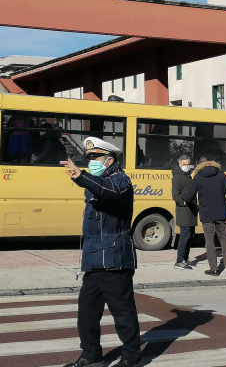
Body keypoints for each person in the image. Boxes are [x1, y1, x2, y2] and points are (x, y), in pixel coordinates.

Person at [63, 137, 141, 367]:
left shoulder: (120, 180)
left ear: (109, 159)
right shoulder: (98, 181)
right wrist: (84, 179)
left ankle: (131, 358)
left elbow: (110, 192)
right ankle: (90, 354)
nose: (91, 162)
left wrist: (81, 177)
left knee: (122, 313)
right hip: (94, 259)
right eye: (89, 158)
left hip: (115, 259)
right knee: (86, 312)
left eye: (95, 158)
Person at [183, 160, 226, 276]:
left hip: (206, 214)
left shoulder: (198, 178)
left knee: (209, 241)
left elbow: (190, 196)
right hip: (221, 213)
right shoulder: (221, 175)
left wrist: (183, 198)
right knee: (224, 239)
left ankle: (214, 269)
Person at [172, 155, 198, 270]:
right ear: (179, 165)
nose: (187, 167)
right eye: (184, 165)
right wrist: (183, 202)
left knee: (190, 235)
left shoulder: (188, 176)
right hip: (184, 210)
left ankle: (185, 258)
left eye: (188, 164)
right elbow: (175, 194)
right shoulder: (177, 177)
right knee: (185, 235)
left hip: (191, 210)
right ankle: (179, 261)